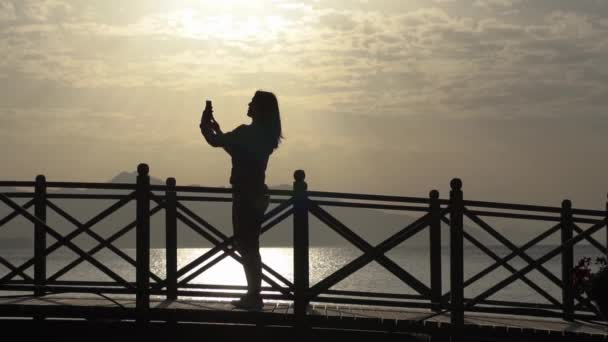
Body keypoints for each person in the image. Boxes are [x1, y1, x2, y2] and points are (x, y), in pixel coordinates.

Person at [199, 90, 283, 310]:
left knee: (247, 246)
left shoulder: (246, 132)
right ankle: (254, 294)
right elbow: (237, 150)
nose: (248, 104)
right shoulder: (264, 136)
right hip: (258, 194)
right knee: (249, 245)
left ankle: (254, 296)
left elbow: (215, 142)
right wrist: (218, 129)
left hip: (245, 196)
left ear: (260, 109)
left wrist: (204, 123)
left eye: (253, 102)